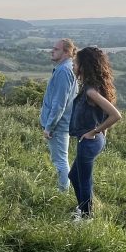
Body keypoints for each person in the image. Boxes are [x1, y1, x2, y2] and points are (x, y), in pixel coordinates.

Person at [68, 46, 122, 221]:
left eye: (76, 63)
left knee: (84, 180)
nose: (73, 66)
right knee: (74, 176)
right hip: (90, 140)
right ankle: (83, 208)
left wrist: (95, 132)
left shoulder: (91, 91)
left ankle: (86, 217)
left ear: (84, 66)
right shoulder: (90, 88)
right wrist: (100, 132)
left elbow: (115, 115)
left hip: (89, 141)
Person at [40, 38, 77, 192]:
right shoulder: (67, 68)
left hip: (58, 125)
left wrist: (49, 126)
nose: (52, 51)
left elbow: (59, 103)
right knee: (60, 159)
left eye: (56, 49)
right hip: (61, 123)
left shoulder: (63, 71)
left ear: (66, 52)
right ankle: (63, 190)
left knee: (60, 161)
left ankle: (63, 193)